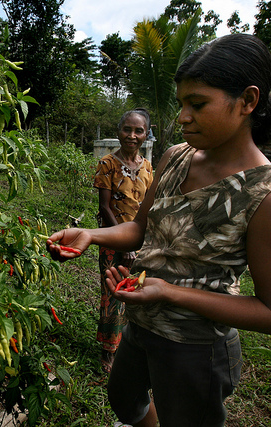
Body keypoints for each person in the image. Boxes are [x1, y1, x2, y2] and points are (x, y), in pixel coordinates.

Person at [47, 33, 271, 427]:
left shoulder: (270, 198)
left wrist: (168, 292)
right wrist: (91, 235)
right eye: (182, 102)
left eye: (197, 104)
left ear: (248, 102)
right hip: (142, 324)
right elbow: (139, 229)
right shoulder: (175, 158)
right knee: (124, 400)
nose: (183, 116)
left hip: (197, 348)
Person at [93, 109, 153, 373]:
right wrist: (123, 243)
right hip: (113, 239)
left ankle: (133, 345)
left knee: (139, 293)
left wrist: (140, 243)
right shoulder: (108, 163)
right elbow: (105, 208)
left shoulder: (148, 167)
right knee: (113, 295)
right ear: (118, 131)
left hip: (141, 243)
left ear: (145, 134)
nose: (132, 136)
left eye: (138, 131)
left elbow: (149, 208)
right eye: (127, 129)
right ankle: (108, 350)